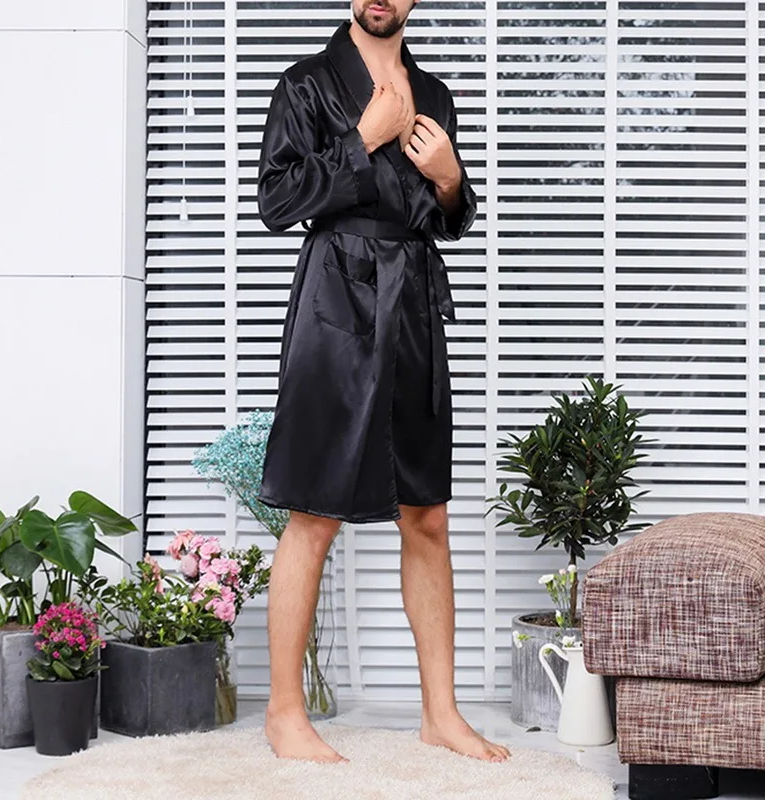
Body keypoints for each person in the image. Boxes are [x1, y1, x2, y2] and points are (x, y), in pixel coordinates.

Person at [255, 0, 511, 765]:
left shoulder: (434, 95)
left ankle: (440, 714)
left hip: (413, 305)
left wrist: (450, 180)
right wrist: (362, 140)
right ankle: (283, 714)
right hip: (335, 302)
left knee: (427, 515)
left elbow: (446, 217)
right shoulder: (305, 84)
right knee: (314, 512)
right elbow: (277, 202)